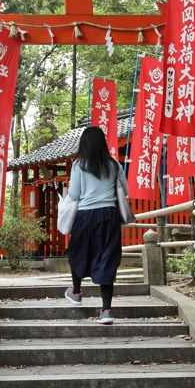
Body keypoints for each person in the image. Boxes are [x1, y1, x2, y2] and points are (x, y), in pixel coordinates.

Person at [64, 125, 124, 324]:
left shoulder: (79, 165)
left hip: (86, 216)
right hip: (109, 215)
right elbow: (124, 190)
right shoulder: (114, 164)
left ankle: (76, 292)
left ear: (85, 144)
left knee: (79, 251)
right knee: (108, 258)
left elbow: (74, 195)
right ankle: (106, 311)